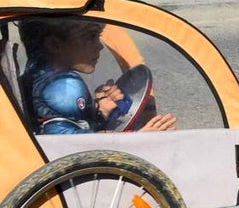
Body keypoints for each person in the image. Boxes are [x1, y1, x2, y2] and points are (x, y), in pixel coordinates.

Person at [19, 16, 177, 134]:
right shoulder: (65, 86)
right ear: (54, 44)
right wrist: (138, 139)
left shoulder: (35, 76)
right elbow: (72, 148)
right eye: (90, 36)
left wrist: (99, 111)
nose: (99, 46)